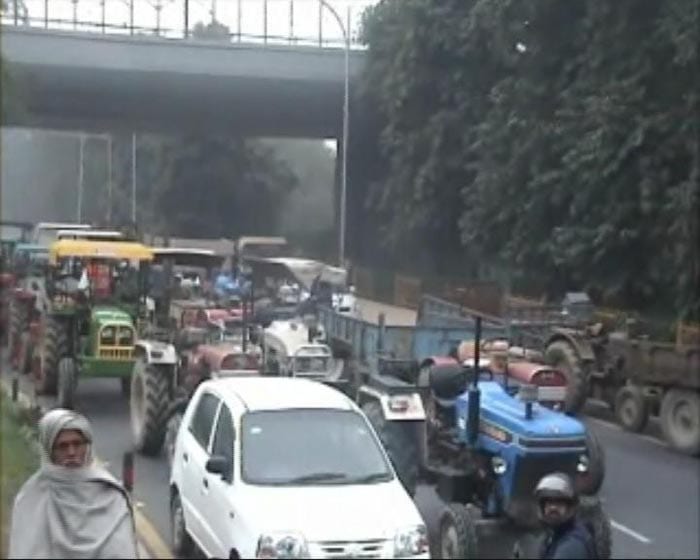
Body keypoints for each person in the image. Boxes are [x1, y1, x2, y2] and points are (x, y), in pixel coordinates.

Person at [8, 408, 139, 559]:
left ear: (87, 446)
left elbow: (122, 551)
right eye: (62, 446)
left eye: (77, 444)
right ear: (49, 450)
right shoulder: (31, 498)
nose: (71, 452)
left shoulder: (110, 496)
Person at [533, 472, 597, 559]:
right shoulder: (554, 535)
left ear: (570, 507)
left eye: (559, 502)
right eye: (549, 502)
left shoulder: (572, 546)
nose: (553, 507)